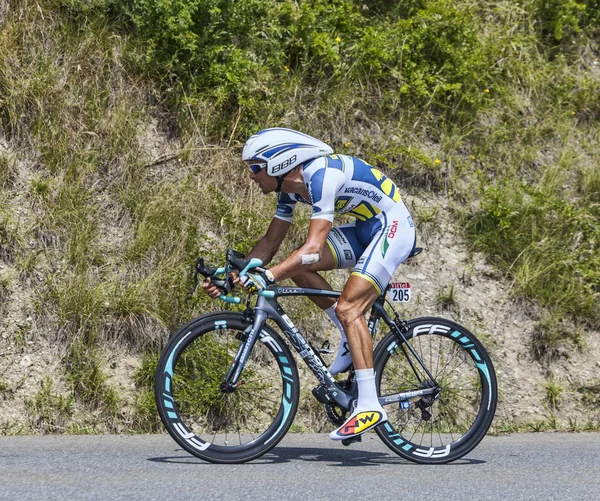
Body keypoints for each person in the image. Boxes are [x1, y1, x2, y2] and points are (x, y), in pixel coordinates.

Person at [202, 128, 416, 441]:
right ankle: (348, 334)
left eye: (254, 168)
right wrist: (231, 278)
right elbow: (270, 242)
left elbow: (313, 248)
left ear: (278, 164)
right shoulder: (288, 191)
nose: (250, 176)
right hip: (363, 228)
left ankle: (370, 404)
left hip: (392, 227)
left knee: (349, 307)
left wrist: (270, 275)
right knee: (298, 268)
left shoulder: (322, 176)